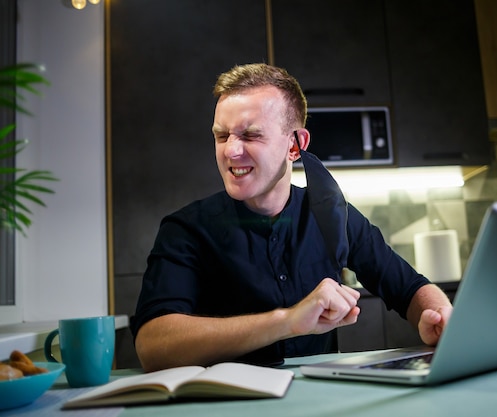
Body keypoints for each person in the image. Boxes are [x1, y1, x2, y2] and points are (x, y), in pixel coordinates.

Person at [132, 63, 453, 372]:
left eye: (251, 135)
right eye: (222, 135)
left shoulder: (334, 215)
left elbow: (409, 288)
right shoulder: (185, 229)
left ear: (296, 145)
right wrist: (287, 320)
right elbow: (152, 345)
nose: (230, 151)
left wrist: (437, 315)